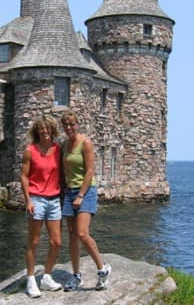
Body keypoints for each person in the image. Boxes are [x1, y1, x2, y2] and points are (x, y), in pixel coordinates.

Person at [60, 110, 111, 292]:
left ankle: (103, 269)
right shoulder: (64, 144)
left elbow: (90, 171)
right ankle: (76, 276)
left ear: (77, 124)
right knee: (72, 235)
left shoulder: (86, 143)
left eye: (71, 124)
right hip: (69, 192)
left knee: (82, 233)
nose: (68, 127)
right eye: (65, 125)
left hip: (86, 191)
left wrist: (81, 195)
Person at [20, 115, 63, 298]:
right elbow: (24, 176)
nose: (44, 131)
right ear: (37, 131)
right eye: (41, 129)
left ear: (53, 130)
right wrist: (28, 200)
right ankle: (31, 279)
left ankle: (46, 276)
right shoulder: (30, 150)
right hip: (36, 198)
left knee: (56, 242)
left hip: (54, 200)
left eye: (47, 128)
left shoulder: (57, 149)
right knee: (34, 241)